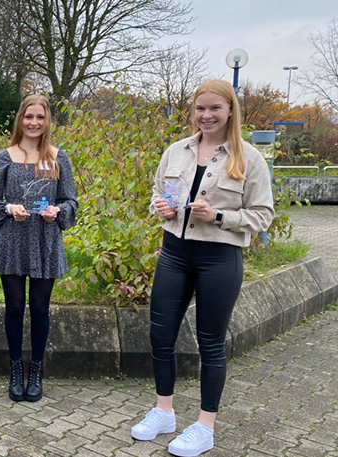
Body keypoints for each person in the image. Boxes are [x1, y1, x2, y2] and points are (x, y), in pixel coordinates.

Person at [131, 79, 274, 457]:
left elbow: (263, 215)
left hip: (219, 258)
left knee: (211, 344)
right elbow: (157, 194)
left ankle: (205, 426)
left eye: (215, 108)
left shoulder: (248, 159)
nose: (207, 115)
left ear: (230, 111)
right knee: (160, 336)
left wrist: (220, 214)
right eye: (200, 108)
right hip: (175, 253)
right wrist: (159, 207)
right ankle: (164, 412)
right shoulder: (176, 151)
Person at [0, 94, 78, 402]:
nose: (34, 123)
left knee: (40, 308)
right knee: (13, 307)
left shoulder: (57, 157)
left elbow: (70, 201)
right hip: (12, 240)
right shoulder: (4, 157)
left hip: (44, 240)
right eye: (29, 117)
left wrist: (59, 212)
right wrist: (9, 208)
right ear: (20, 120)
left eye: (40, 117)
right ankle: (15, 368)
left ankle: (36, 370)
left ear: (48, 120)